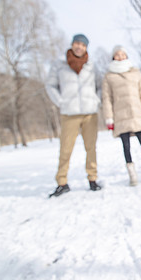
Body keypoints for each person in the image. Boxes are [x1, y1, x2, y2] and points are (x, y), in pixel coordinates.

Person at [46, 34, 102, 197]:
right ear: (72, 45)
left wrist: (96, 101)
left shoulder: (91, 66)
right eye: (77, 44)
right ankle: (62, 182)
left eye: (83, 45)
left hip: (90, 113)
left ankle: (92, 179)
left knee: (91, 148)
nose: (80, 47)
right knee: (65, 148)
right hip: (69, 113)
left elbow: (99, 85)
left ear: (86, 48)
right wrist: (61, 102)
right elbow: (50, 85)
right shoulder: (60, 65)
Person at [102, 45, 141, 185]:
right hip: (120, 116)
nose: (120, 56)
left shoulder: (136, 72)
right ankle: (132, 175)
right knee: (126, 146)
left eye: (123, 54)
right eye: (117, 54)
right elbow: (107, 98)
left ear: (127, 56)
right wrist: (109, 118)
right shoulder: (109, 76)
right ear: (113, 57)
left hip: (137, 114)